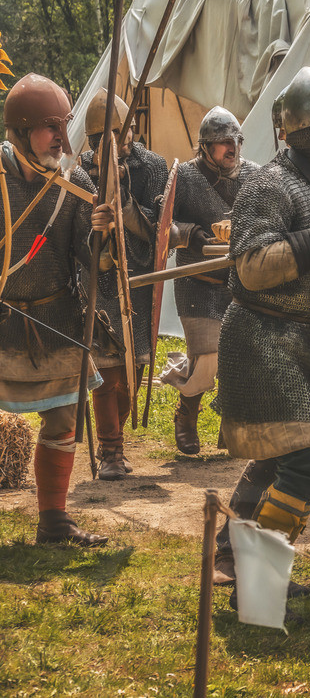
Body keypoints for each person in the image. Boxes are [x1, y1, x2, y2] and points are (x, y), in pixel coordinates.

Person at [211, 67, 310, 608]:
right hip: (263, 337)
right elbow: (252, 267)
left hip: (301, 341)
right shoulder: (270, 185)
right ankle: (258, 581)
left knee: (277, 460)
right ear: (307, 130)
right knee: (308, 465)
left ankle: (231, 555)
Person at [0, 74, 107, 546]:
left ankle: (54, 522)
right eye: (50, 127)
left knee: (64, 419)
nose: (63, 138)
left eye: (64, 125)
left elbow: (94, 261)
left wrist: (102, 235)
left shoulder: (74, 183)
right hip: (2, 321)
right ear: (21, 131)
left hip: (56, 318)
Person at [79, 91, 169, 480]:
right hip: (99, 282)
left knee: (132, 370)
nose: (123, 139)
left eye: (125, 131)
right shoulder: (81, 172)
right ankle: (111, 451)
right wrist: (95, 226)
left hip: (138, 280)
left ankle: (114, 443)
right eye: (112, 135)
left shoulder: (152, 167)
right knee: (107, 370)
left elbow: (160, 227)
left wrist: (123, 203)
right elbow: (74, 233)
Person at [162, 106, 258, 457]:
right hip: (197, 282)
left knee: (241, 359)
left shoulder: (255, 176)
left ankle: (230, 426)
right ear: (205, 147)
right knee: (206, 358)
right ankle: (187, 415)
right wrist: (192, 234)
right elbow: (163, 223)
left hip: (240, 282)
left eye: (235, 141)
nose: (232, 148)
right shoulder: (185, 177)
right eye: (223, 142)